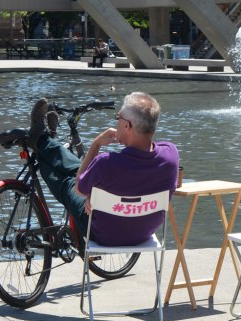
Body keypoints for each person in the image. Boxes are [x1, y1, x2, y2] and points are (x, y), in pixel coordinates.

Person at [27, 92, 179, 246]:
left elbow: (79, 187)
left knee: (69, 182)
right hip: (143, 234)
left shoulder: (106, 163)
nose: (117, 121)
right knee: (85, 173)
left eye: (118, 117)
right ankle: (47, 141)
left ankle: (40, 140)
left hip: (100, 233)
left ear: (127, 126)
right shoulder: (171, 154)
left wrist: (96, 143)